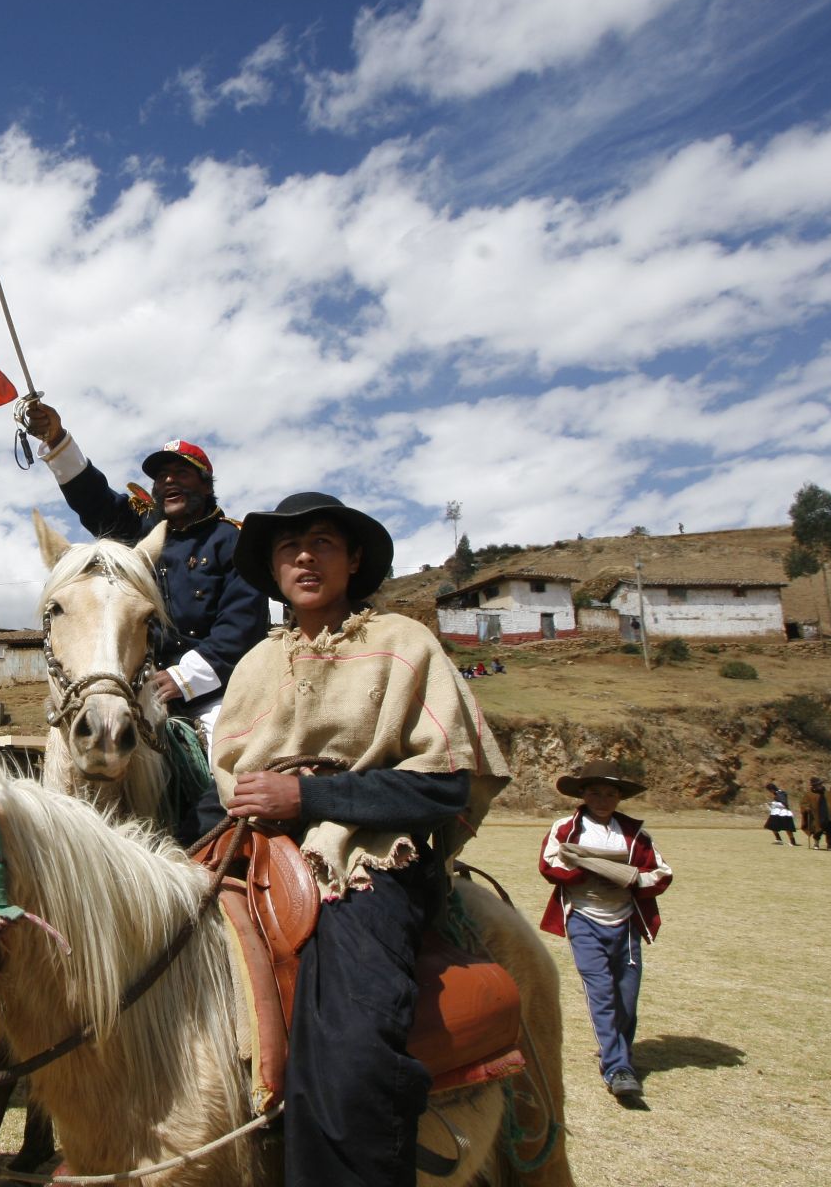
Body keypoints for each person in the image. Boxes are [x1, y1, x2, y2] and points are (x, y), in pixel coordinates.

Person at [209, 491, 508, 1187]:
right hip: (251, 855)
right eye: (289, 547)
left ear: (355, 560)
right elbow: (221, 782)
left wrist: (308, 796)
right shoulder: (253, 665)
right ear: (273, 570)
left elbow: (445, 785)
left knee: (348, 1046)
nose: (305, 556)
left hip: (366, 861)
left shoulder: (403, 643)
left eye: (322, 543)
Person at [21, 401, 270, 737]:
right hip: (136, 686)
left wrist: (184, 678)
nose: (169, 481)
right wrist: (57, 439)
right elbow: (94, 500)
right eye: (161, 476)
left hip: (214, 693)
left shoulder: (233, 541)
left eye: (181, 473)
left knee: (225, 752)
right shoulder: (137, 530)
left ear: (207, 486)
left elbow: (242, 625)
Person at [538, 760, 673, 1106]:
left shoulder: (634, 834)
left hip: (625, 922)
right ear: (582, 794)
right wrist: (585, 866)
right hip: (583, 918)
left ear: (619, 797)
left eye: (610, 793)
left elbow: (660, 872)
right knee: (601, 991)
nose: (602, 798)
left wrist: (630, 877)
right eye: (595, 791)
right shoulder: (566, 829)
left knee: (626, 997)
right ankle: (617, 1069)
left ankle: (618, 1053)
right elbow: (550, 865)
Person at [803, 778, 831, 850]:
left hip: (829, 816)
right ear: (813, 786)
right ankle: (816, 843)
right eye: (817, 785)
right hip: (817, 816)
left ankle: (829, 845)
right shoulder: (809, 794)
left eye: (819, 784)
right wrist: (806, 808)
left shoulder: (827, 793)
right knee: (817, 831)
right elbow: (804, 803)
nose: (819, 786)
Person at [763, 782, 798, 846]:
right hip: (776, 813)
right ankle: (778, 839)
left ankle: (792, 842)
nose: (770, 792)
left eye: (769, 790)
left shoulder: (781, 794)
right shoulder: (777, 794)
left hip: (784, 813)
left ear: (771, 789)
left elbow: (784, 804)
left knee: (788, 828)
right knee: (771, 825)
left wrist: (772, 803)